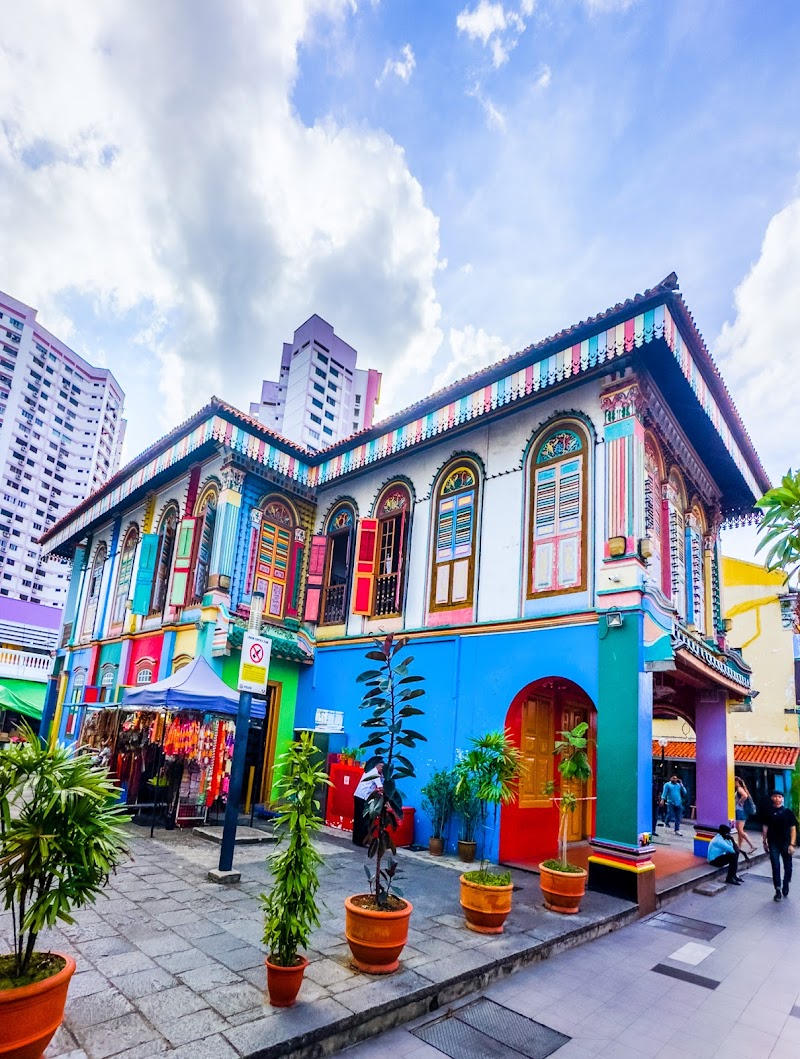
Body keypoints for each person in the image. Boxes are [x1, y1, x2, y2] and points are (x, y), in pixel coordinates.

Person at [762, 789, 798, 901]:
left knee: (788, 866)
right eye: (775, 796)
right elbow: (765, 827)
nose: (777, 798)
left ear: (782, 799)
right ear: (772, 798)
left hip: (786, 843)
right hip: (773, 843)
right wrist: (764, 841)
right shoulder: (768, 812)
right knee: (775, 865)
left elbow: (793, 829)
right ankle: (777, 890)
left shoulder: (788, 812)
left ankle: (786, 883)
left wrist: (792, 844)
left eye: (779, 796)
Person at [352, 761, 383, 847]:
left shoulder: (369, 770)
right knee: (364, 819)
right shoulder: (375, 774)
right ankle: (361, 840)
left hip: (358, 795)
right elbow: (380, 787)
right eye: (382, 769)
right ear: (380, 768)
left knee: (357, 818)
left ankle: (356, 839)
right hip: (363, 798)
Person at [733, 776, 757, 853]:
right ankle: (739, 847)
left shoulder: (739, 789)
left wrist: (740, 802)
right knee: (740, 831)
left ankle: (752, 845)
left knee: (740, 830)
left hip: (740, 812)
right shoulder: (743, 788)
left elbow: (745, 796)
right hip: (742, 812)